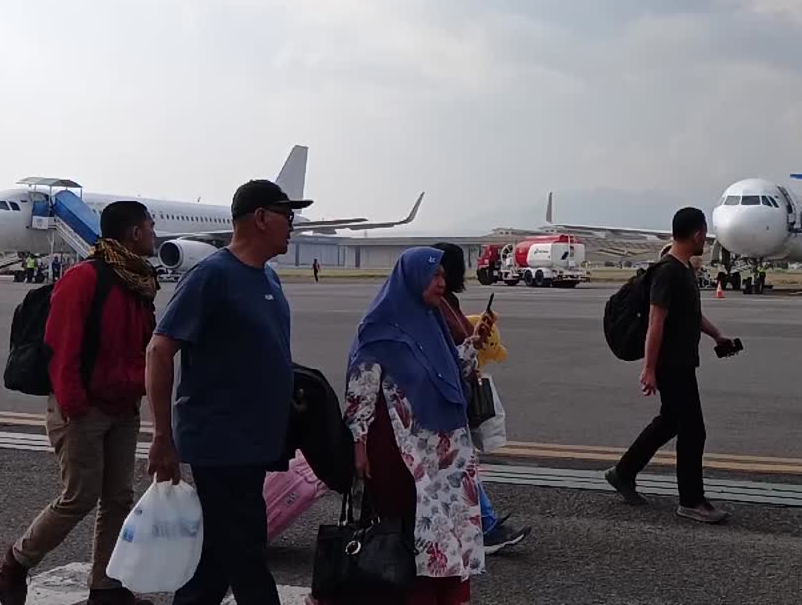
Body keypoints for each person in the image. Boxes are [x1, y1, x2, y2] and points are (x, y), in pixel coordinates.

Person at [144, 179, 311, 605]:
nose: (293, 224)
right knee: (247, 553)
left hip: (255, 443)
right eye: (286, 215)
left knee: (215, 560)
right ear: (259, 218)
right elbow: (159, 350)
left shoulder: (268, 278)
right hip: (221, 443)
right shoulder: (212, 276)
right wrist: (162, 437)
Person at [0, 201, 160, 605]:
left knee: (118, 497)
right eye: (150, 227)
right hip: (83, 408)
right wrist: (73, 404)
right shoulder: (85, 278)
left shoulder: (138, 282)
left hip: (123, 406)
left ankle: (105, 587)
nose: (155, 234)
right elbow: (61, 348)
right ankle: (18, 560)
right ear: (134, 233)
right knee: (79, 497)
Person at [330, 247, 484, 604]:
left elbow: (444, 373)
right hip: (402, 449)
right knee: (411, 527)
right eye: (434, 276)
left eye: (444, 276)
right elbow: (361, 391)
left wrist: (470, 348)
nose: (442, 283)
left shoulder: (432, 323)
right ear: (412, 278)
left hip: (445, 452)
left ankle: (444, 593)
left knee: (449, 523)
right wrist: (359, 445)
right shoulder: (379, 328)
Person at [605, 207, 736, 524]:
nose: (706, 238)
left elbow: (690, 315)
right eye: (704, 233)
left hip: (681, 361)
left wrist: (717, 335)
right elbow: (656, 322)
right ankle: (691, 501)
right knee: (694, 430)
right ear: (696, 234)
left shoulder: (683, 270)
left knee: (670, 422)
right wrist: (649, 368)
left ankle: (623, 472)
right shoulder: (667, 272)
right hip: (671, 365)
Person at [433, 242, 533, 555]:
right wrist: (472, 342)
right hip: (444, 398)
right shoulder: (436, 304)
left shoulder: (447, 301)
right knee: (459, 465)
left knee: (454, 466)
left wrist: (476, 334)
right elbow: (450, 350)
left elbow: (461, 343)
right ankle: (485, 527)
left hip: (453, 393)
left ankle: (480, 525)